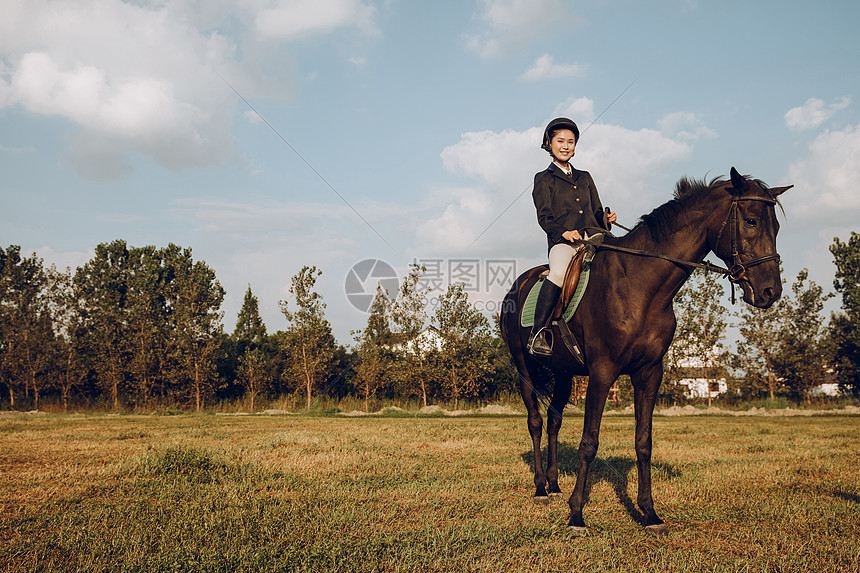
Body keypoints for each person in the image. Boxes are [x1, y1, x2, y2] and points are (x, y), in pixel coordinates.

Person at [527, 117, 616, 357]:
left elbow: (597, 211)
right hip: (564, 242)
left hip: (595, 237)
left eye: (571, 141)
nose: (566, 146)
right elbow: (544, 217)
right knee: (557, 273)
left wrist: (607, 218)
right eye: (560, 141)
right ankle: (539, 333)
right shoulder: (543, 179)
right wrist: (563, 232)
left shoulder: (585, 177)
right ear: (549, 143)